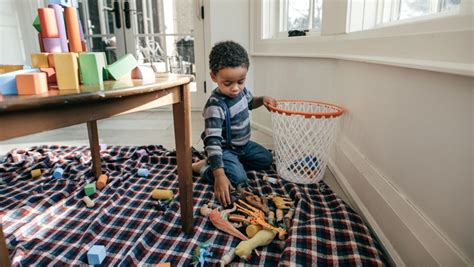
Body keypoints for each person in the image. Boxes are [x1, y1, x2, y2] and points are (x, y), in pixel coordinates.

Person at [192, 41, 276, 206]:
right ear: (214, 77)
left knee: (266, 159)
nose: (236, 88)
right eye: (228, 83)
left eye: (241, 81)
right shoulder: (215, 106)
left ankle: (233, 165)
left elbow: (251, 103)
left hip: (243, 146)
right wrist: (219, 175)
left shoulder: (242, 91)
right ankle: (204, 167)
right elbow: (213, 142)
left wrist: (263, 99)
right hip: (225, 149)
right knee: (239, 180)